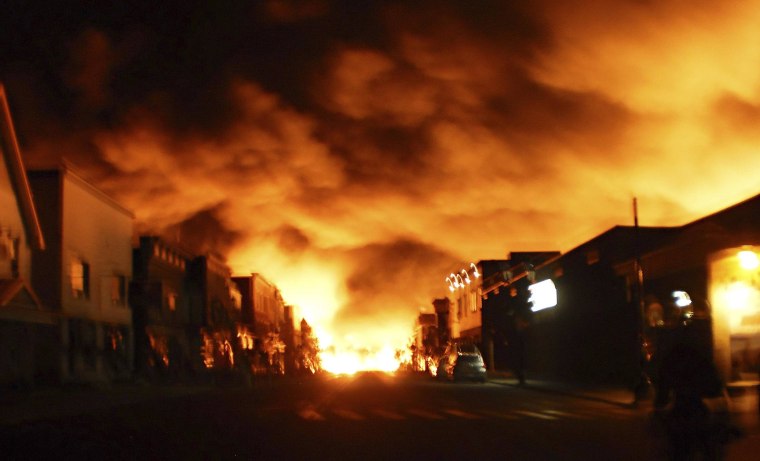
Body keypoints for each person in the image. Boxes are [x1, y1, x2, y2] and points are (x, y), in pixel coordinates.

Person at [653, 321, 741, 460]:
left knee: (678, 450)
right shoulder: (701, 358)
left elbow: (662, 393)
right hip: (698, 413)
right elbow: (715, 387)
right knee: (709, 450)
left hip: (680, 412)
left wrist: (659, 406)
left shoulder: (671, 358)